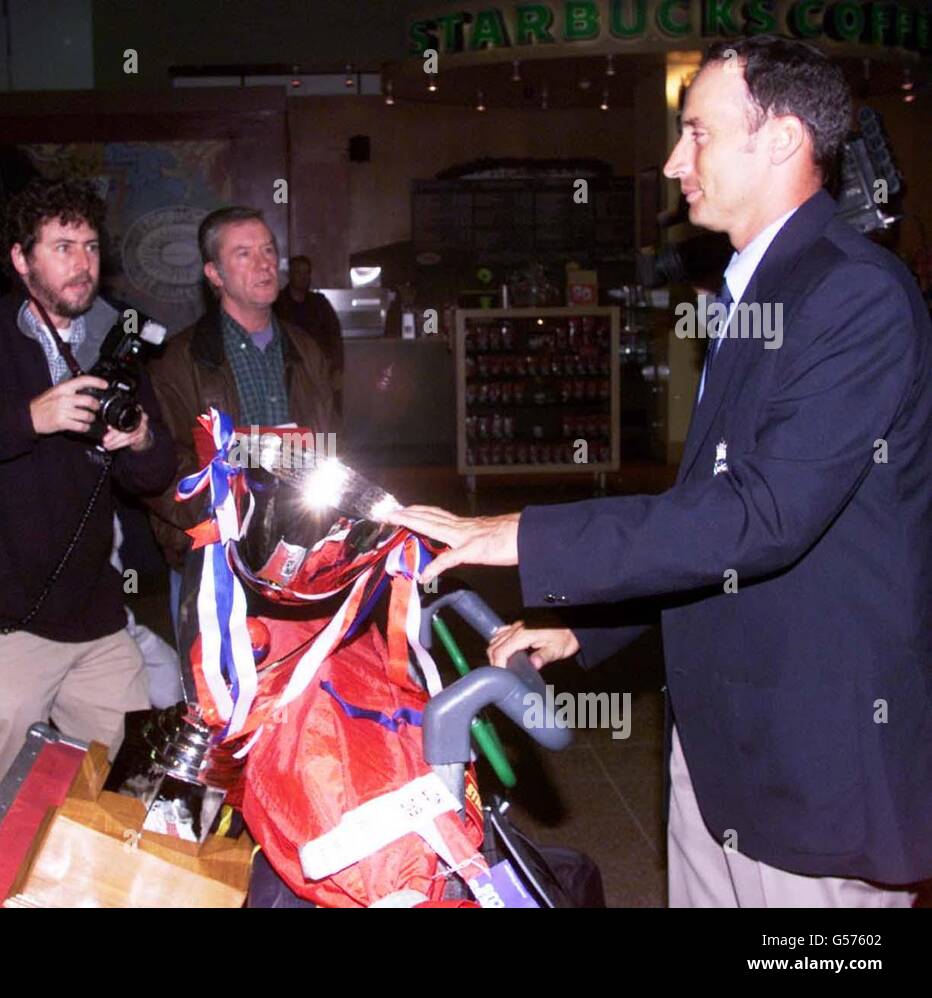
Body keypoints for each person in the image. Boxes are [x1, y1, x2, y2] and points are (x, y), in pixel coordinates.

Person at [391, 36, 932, 908]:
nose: (677, 158)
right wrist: (588, 630)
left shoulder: (853, 294)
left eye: (699, 134)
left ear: (784, 140)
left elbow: (762, 516)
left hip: (811, 762)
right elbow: (703, 513)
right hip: (720, 751)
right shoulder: (758, 287)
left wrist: (526, 533)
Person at [0, 178, 175, 901]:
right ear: (21, 259)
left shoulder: (118, 335)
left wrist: (138, 437)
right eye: (61, 246)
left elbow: (158, 473)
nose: (81, 261)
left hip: (96, 621)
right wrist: (27, 419)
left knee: (138, 791)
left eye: (90, 246)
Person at [145, 208, 339, 633]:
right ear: (214, 273)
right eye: (244, 254)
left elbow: (328, 447)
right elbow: (156, 469)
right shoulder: (174, 362)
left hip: (300, 560)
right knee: (217, 694)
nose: (265, 262)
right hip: (215, 563)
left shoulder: (307, 352)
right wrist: (226, 509)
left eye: (269, 250)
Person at [273, 254, 343, 380]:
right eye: (298, 272)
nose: (303, 277)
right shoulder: (277, 304)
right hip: (288, 373)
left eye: (306, 272)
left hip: (318, 370)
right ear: (290, 275)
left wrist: (336, 368)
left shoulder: (320, 303)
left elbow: (334, 335)